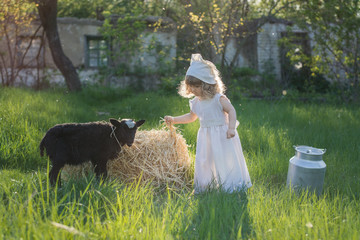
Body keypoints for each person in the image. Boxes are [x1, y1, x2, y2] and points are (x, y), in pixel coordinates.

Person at [164, 54, 252, 193]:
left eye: (196, 86)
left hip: (223, 136)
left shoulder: (218, 99)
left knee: (224, 160)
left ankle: (230, 186)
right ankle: (207, 186)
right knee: (205, 161)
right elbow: (191, 117)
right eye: (190, 87)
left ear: (206, 84)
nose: (192, 90)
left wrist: (231, 128)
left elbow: (231, 110)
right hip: (206, 138)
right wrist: (174, 119)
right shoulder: (197, 102)